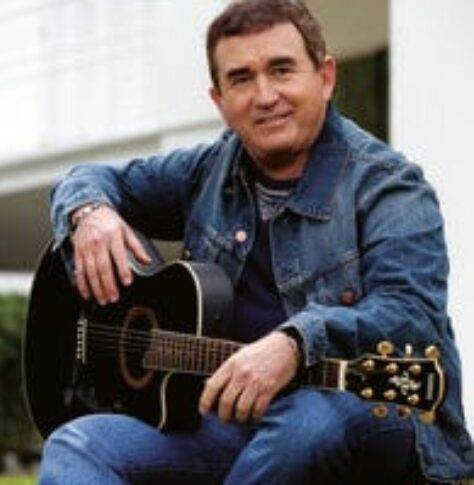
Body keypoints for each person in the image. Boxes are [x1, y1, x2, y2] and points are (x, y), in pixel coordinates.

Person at [39, 0, 474, 483]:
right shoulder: (206, 170)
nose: (265, 96)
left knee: (307, 424)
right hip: (229, 419)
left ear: (325, 77)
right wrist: (89, 213)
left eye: (282, 70)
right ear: (219, 101)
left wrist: (295, 343)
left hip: (369, 406)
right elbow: (87, 178)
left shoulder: (390, 186)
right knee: (77, 445)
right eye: (241, 78)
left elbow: (410, 312)